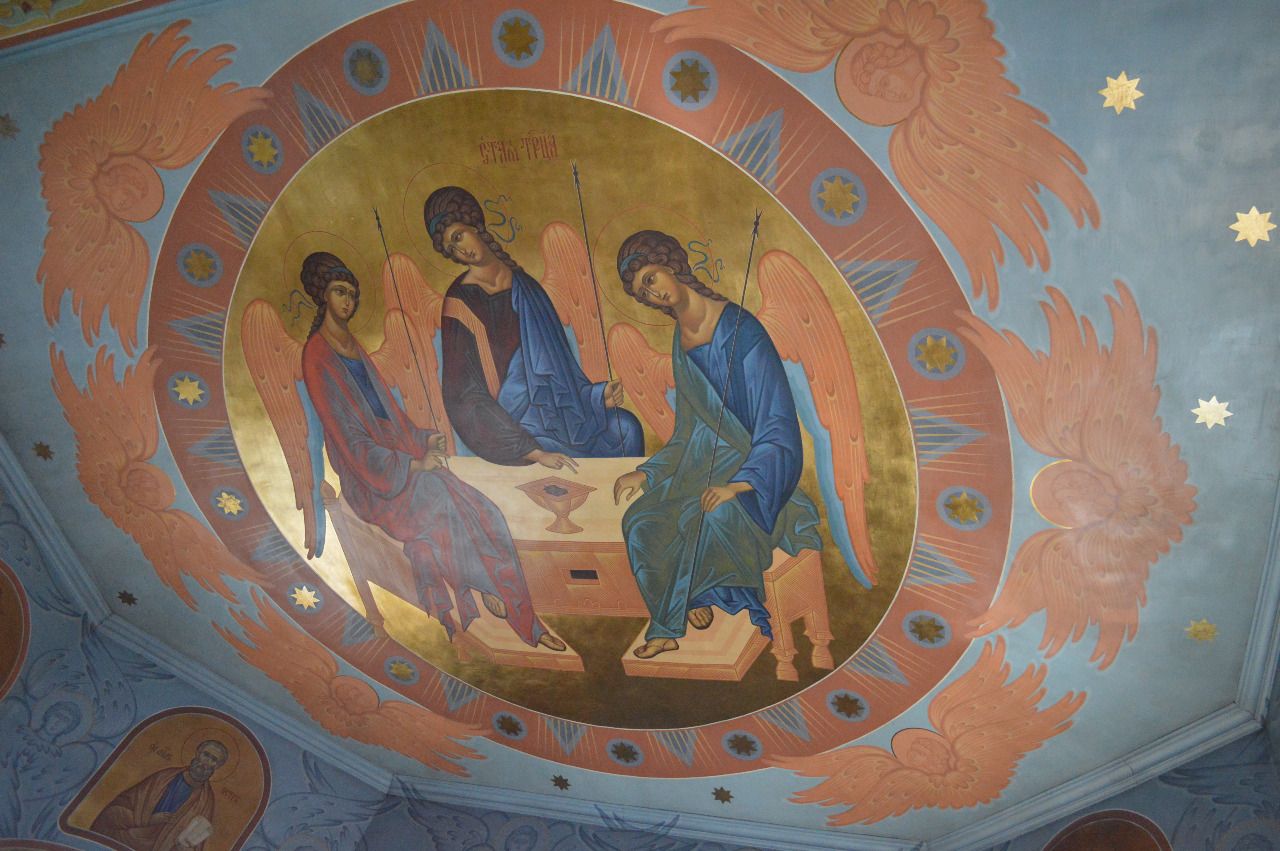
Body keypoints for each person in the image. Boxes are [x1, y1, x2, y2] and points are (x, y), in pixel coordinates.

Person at [297, 252, 564, 651]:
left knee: (485, 509)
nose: (348, 301)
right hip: (373, 481)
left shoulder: (352, 347)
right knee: (440, 498)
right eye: (339, 292)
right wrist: (412, 464)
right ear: (322, 295)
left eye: (352, 294)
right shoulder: (318, 355)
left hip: (401, 462)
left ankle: (523, 615)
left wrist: (423, 440)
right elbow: (349, 440)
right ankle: (488, 588)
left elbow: (389, 416)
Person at [611, 231, 821, 659]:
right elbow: (688, 428)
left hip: (756, 468)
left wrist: (740, 485)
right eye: (643, 293)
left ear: (670, 264)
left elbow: (777, 422)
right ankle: (677, 612)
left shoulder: (743, 331)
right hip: (701, 460)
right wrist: (647, 472)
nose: (652, 293)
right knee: (640, 521)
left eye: (651, 279)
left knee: (707, 515)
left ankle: (687, 605)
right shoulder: (680, 340)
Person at [425, 186, 643, 468]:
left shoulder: (527, 288)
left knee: (626, 429)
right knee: (563, 455)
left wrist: (595, 398)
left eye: (458, 236)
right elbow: (463, 396)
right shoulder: (459, 303)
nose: (461, 251)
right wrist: (532, 451)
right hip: (511, 428)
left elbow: (561, 369)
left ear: (474, 225)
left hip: (555, 414)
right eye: (451, 249)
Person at [90, 740, 227, 850]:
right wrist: (148, 820)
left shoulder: (206, 800)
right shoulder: (164, 777)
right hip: (135, 831)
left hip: (164, 845)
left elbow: (196, 840)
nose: (206, 762)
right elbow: (124, 804)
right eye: (206, 755)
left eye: (213, 759)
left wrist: (184, 846)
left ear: (217, 766)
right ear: (198, 754)